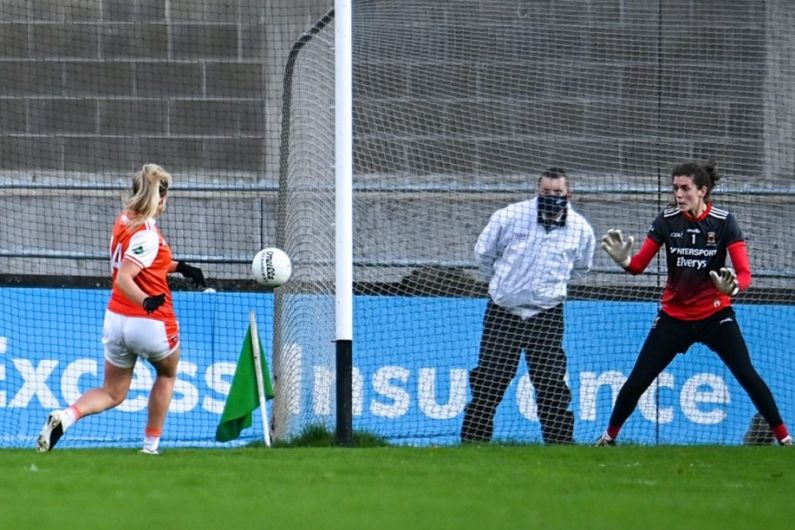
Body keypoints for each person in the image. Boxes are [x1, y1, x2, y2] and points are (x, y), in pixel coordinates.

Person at [596, 160, 791, 446]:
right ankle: (608, 437)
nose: (678, 194)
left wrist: (733, 286)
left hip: (715, 316)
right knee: (638, 380)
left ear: (702, 191)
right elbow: (638, 266)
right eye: (675, 188)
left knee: (747, 375)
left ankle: (785, 440)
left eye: (685, 188)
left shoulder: (724, 222)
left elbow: (745, 273)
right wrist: (624, 261)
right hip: (674, 318)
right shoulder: (667, 220)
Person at [37, 163, 207, 455]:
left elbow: (144, 263)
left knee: (112, 392)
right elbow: (125, 277)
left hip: (116, 320)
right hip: (150, 320)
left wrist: (181, 267)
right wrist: (145, 300)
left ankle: (66, 416)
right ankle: (150, 447)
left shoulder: (124, 220)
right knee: (166, 375)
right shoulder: (148, 234)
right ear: (161, 197)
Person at [461, 167, 595, 444]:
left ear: (568, 194)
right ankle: (473, 442)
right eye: (546, 192)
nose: (552, 197)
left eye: (558, 192)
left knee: (550, 383)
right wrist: (504, 286)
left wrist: (546, 292)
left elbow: (581, 268)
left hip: (546, 314)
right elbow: (484, 254)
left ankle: (560, 445)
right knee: (489, 380)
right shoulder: (509, 217)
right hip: (504, 312)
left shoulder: (580, 229)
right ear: (537, 191)